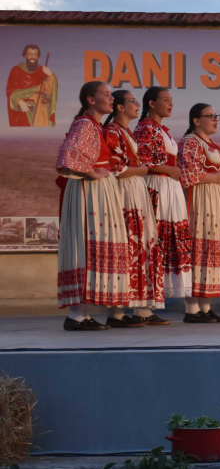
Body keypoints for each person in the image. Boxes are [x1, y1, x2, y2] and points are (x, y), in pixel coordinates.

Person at [55, 81, 130, 329]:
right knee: (86, 245)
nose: (111, 99)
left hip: (98, 191)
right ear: (90, 99)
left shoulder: (93, 125)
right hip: (89, 192)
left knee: (93, 246)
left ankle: (81, 313)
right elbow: (69, 159)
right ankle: (76, 316)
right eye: (106, 94)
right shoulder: (85, 124)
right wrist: (92, 173)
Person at [103, 89, 166, 326]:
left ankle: (141, 307)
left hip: (135, 191)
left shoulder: (125, 131)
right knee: (126, 246)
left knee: (140, 245)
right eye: (132, 101)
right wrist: (142, 170)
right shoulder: (111, 131)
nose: (136, 105)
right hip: (125, 193)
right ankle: (116, 312)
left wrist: (140, 170)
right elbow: (115, 167)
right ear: (120, 107)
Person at [177, 104, 220, 323]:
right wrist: (215, 178)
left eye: (216, 116)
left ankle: (205, 306)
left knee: (212, 249)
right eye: (210, 116)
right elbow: (187, 173)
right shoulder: (189, 143)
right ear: (196, 120)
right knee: (199, 247)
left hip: (217, 201)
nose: (215, 120)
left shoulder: (212, 145)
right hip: (202, 200)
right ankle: (191, 309)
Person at [133, 87, 192, 300]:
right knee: (155, 237)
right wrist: (171, 170)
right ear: (151, 103)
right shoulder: (145, 128)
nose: (170, 104)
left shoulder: (160, 129)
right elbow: (144, 160)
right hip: (156, 186)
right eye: (165, 100)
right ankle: (147, 302)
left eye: (171, 100)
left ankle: (156, 299)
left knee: (168, 238)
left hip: (169, 187)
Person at [7, 43, 57, 127]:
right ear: (25, 56)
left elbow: (49, 89)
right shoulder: (16, 70)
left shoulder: (43, 70)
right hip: (23, 110)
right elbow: (10, 90)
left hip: (40, 110)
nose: (33, 57)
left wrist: (51, 75)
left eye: (35, 54)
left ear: (38, 56)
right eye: (30, 54)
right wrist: (19, 101)